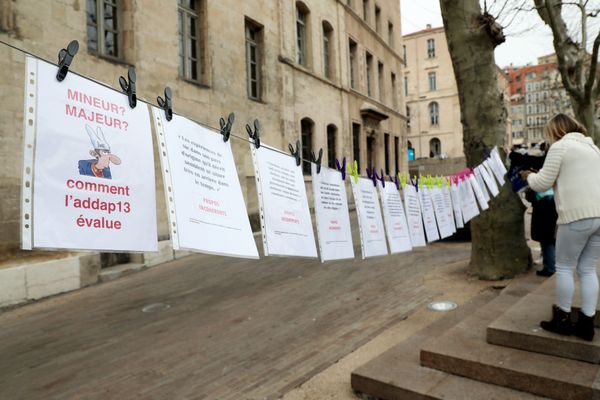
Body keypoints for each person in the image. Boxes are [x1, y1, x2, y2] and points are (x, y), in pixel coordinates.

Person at [521, 113, 600, 341]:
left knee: (564, 268)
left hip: (576, 216)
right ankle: (586, 324)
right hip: (599, 216)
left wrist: (528, 176)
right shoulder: (593, 149)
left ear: (556, 131)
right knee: (587, 269)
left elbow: (542, 182)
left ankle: (563, 319)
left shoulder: (561, 147)